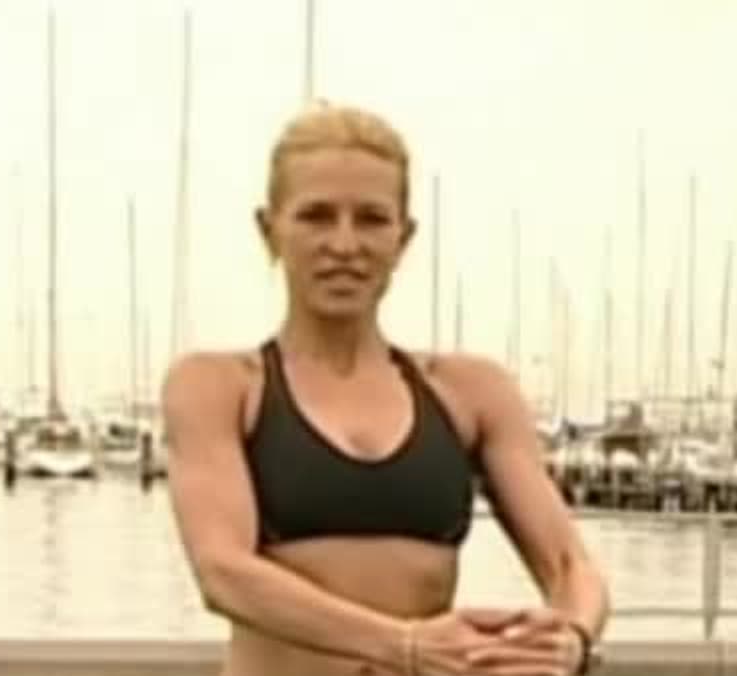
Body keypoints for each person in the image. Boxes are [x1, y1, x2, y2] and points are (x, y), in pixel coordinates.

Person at [162, 101, 610, 676]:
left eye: (371, 219)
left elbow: (570, 565)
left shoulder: (471, 393)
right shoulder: (219, 387)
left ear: (404, 237)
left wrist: (571, 636)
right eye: (316, 216)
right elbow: (223, 572)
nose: (344, 244)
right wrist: (404, 644)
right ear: (269, 230)